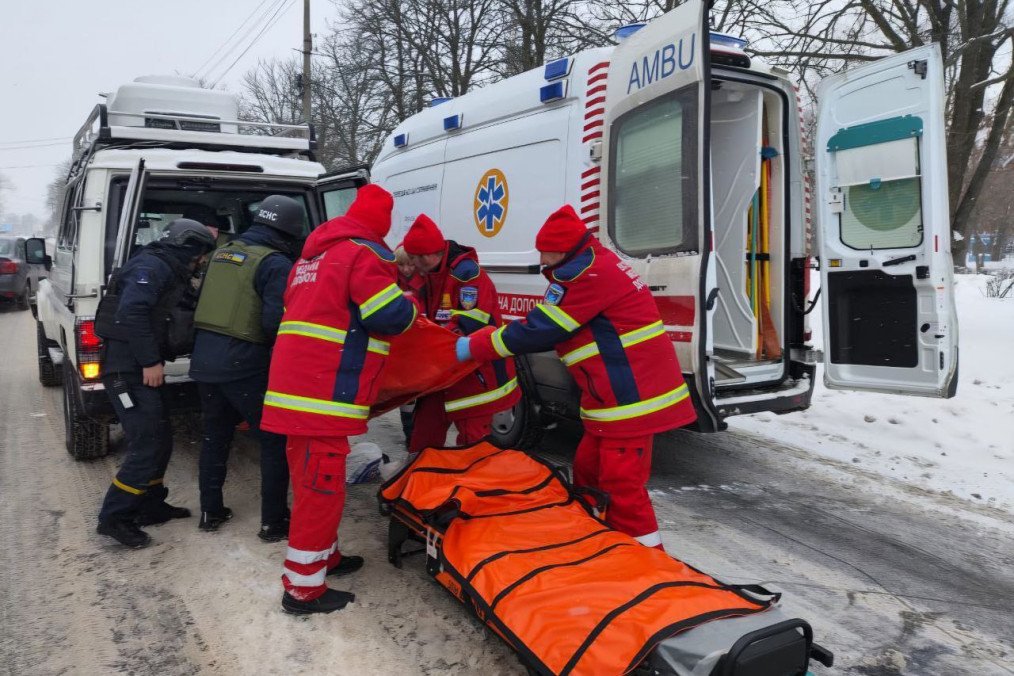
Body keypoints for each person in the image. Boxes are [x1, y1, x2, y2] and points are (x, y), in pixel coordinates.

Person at [457, 205, 697, 549]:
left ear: (562, 250)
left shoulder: (586, 275)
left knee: (620, 485)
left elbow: (542, 329)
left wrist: (476, 345)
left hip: (631, 401)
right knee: (587, 470)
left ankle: (649, 560)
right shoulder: (590, 265)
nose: (541, 262)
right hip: (611, 398)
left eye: (545, 254)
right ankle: (592, 540)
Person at [261, 185, 417, 614]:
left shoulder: (311, 257)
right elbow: (387, 317)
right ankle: (303, 590)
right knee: (321, 491)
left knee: (311, 483)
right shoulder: (365, 255)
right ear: (382, 225)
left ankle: (324, 558)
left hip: (296, 391)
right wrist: (409, 303)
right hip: (322, 396)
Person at [189, 195, 306, 540]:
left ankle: (210, 511)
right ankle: (273, 522)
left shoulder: (221, 253)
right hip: (245, 363)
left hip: (204, 360)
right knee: (274, 439)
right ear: (288, 230)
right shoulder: (275, 263)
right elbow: (274, 322)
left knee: (215, 436)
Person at [95, 219, 217, 548]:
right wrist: (150, 361)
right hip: (126, 370)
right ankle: (114, 517)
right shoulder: (151, 266)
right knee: (146, 443)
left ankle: (150, 504)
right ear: (187, 247)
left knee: (161, 437)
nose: (201, 261)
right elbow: (132, 312)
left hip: (140, 367)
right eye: (201, 254)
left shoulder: (166, 267)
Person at [402, 213, 520, 453]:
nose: (412, 265)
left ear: (428, 255)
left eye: (414, 259)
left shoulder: (466, 274)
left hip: (473, 373)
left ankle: (473, 487)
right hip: (442, 371)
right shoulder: (430, 276)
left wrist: (433, 340)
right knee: (423, 435)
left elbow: (472, 322)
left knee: (473, 445)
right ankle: (416, 481)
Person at [392, 245, 424, 445]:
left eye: (410, 265)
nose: (406, 269)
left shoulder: (423, 280)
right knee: (405, 395)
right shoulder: (391, 279)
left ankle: (414, 432)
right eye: (401, 265)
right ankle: (409, 433)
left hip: (418, 341)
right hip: (402, 342)